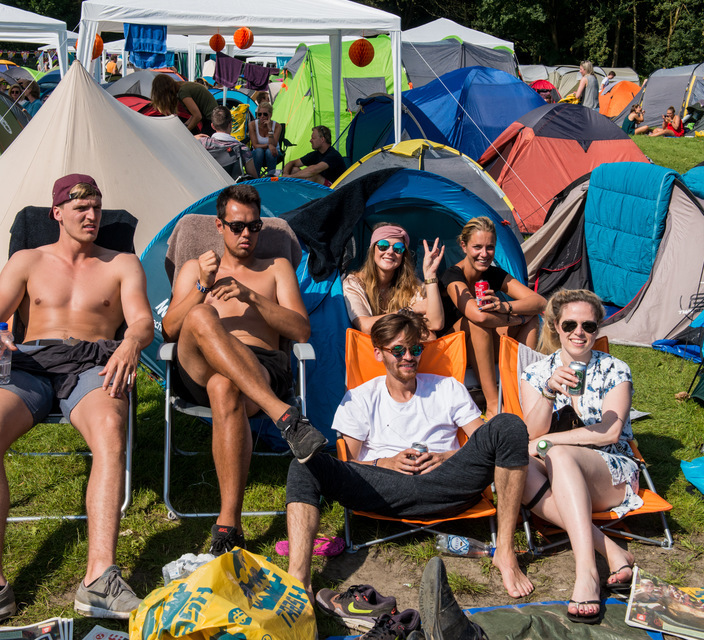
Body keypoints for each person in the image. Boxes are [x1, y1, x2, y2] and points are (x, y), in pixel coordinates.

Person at [0, 174, 155, 635]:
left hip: (93, 362)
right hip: (31, 362)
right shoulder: (28, 260)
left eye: (97, 207)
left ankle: (100, 579)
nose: (91, 216)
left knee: (109, 430)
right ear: (57, 213)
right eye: (81, 208)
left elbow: (142, 321)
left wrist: (129, 345)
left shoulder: (122, 263)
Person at [285, 311, 534, 602]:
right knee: (304, 464)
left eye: (415, 349)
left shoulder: (447, 388)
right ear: (378, 353)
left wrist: (445, 457)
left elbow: (482, 442)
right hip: (385, 488)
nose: (408, 357)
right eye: (398, 350)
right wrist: (385, 462)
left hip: (447, 483)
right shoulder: (361, 397)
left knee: (509, 425)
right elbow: (347, 464)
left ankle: (504, 552)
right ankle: (298, 581)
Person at [161, 184, 327, 555]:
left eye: (254, 227)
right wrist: (203, 286)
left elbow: (300, 329)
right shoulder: (195, 268)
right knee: (201, 314)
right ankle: (284, 416)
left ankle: (228, 523)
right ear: (219, 226)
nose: (247, 234)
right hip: (198, 365)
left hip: (261, 364)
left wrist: (251, 296)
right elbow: (170, 328)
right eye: (237, 226)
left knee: (225, 386)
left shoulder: (276, 268)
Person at [519, 289, 640, 624]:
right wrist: (547, 392)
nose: (579, 332)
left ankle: (586, 571)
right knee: (519, 465)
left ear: (597, 330)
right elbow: (530, 436)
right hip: (555, 469)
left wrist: (549, 442)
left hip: (609, 469)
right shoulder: (537, 373)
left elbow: (609, 432)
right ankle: (611, 550)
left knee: (556, 453)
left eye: (588, 326)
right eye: (570, 323)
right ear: (556, 326)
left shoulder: (615, 369)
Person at [441, 217, 545, 413]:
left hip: (481, 344)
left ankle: (522, 392)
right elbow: (477, 316)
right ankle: (492, 406)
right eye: (477, 247)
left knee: (530, 318)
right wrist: (514, 318)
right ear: (464, 246)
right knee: (476, 322)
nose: (484, 254)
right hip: (451, 349)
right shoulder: (453, 275)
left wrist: (505, 307)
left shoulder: (492, 273)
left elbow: (539, 302)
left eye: (490, 247)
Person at [342, 223, 444, 335]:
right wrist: (410, 310)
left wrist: (430, 275)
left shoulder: (412, 285)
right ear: (372, 249)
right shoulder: (354, 283)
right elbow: (365, 327)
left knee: (430, 336)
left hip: (402, 348)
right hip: (367, 348)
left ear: (403, 255)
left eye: (398, 248)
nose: (390, 252)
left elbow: (435, 324)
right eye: (383, 245)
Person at [198, 105, 258, 178]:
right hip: (232, 187)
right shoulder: (242, 148)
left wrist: (196, 136)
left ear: (212, 126)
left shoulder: (203, 143)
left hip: (209, 186)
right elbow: (254, 177)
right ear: (230, 124)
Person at [151, 75, 217, 134]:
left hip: (211, 120)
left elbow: (197, 116)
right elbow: (194, 114)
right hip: (212, 118)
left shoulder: (183, 92)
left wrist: (185, 132)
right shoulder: (182, 85)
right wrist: (185, 125)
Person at [282, 125, 346, 186]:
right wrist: (285, 174)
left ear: (322, 139)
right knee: (294, 170)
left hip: (336, 189)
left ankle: (305, 195)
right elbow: (292, 163)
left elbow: (313, 170)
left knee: (313, 176)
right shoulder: (315, 154)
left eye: (313, 138)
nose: (310, 140)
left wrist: (290, 177)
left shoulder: (333, 155)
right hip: (323, 187)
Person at [248, 101, 281, 175]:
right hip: (258, 153)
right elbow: (255, 145)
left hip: (274, 152)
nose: (262, 116)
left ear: (270, 115)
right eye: (260, 114)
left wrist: (270, 130)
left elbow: (274, 145)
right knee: (259, 151)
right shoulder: (252, 125)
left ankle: (271, 176)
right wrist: (268, 145)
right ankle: (256, 176)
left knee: (269, 152)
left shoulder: (277, 126)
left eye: (265, 114)